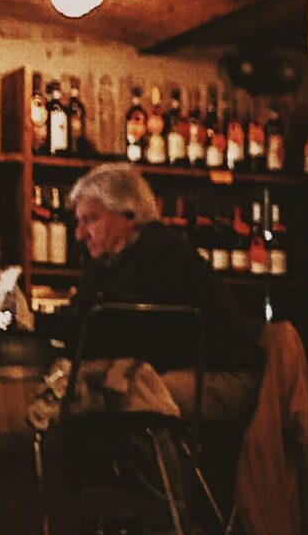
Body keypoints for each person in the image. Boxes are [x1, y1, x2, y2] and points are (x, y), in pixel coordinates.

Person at [55, 163, 264, 406]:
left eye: (91, 219)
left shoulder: (158, 253)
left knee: (116, 401)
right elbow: (82, 330)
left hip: (222, 377)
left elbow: (109, 334)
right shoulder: (106, 263)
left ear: (129, 215)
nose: (80, 234)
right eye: (78, 222)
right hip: (181, 371)